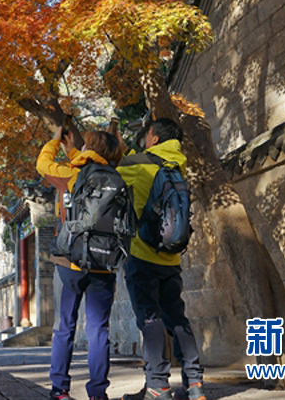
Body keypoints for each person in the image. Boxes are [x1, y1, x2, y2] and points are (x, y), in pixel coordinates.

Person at [117, 118, 206, 400]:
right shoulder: (177, 165)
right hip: (171, 256)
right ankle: (195, 385)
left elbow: (113, 174)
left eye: (146, 135)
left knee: (151, 319)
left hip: (142, 254)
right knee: (177, 319)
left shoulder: (137, 165)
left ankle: (158, 385)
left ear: (154, 138)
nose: (143, 139)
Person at [37, 126, 124, 400]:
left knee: (65, 327)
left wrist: (54, 141)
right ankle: (98, 393)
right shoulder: (117, 177)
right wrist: (74, 149)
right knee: (98, 329)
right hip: (105, 263)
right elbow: (95, 159)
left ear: (89, 150)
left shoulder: (72, 175)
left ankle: (60, 389)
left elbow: (42, 165)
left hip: (70, 263)